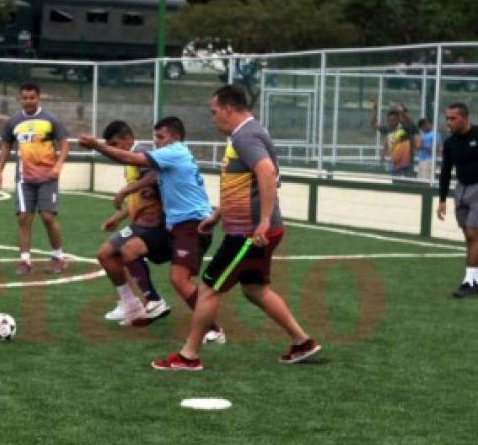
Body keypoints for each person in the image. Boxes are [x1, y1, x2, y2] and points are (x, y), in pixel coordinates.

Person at [151, 85, 320, 371]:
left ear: (229, 109)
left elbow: (265, 171)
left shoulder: (245, 136)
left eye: (214, 111)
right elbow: (243, 183)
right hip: (254, 229)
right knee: (255, 289)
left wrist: (263, 220)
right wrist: (218, 214)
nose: (213, 117)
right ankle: (301, 341)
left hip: (249, 233)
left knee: (208, 288)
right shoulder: (247, 133)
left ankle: (189, 355)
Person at [79, 116, 224, 341]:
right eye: (155, 137)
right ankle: (152, 301)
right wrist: (126, 200)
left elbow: (132, 158)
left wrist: (98, 146)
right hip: (172, 226)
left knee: (179, 280)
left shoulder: (175, 151)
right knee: (129, 250)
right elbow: (153, 177)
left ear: (176, 138)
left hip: (192, 225)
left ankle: (214, 329)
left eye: (160, 137)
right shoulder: (170, 157)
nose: (156, 141)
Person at [93, 120, 170, 325]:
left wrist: (126, 190)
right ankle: (131, 303)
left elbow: (155, 176)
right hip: (140, 221)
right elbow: (141, 194)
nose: (113, 151)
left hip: (151, 223)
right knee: (106, 254)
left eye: (115, 145)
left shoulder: (141, 153)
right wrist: (118, 217)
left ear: (129, 139)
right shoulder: (131, 160)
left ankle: (147, 300)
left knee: (108, 253)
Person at [0, 82, 69, 275]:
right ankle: (25, 261)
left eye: (32, 98)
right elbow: (5, 146)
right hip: (24, 179)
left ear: (39, 97)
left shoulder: (50, 119)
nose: (28, 101)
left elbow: (64, 143)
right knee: (23, 218)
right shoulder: (13, 122)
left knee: (47, 217)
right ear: (20, 99)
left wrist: (59, 165)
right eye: (25, 98)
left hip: (47, 177)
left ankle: (59, 257)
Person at [436, 102, 478, 298]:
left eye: (453, 118)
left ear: (465, 118)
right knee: (469, 238)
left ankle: (469, 282)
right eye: (447, 118)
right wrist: (442, 199)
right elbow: (445, 171)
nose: (449, 122)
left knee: (473, 234)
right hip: (460, 189)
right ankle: (475, 279)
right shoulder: (450, 142)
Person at [370, 100, 416, 176]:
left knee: (407, 184)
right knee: (396, 184)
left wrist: (402, 113)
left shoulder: (405, 128)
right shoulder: (388, 129)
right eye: (390, 120)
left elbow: (410, 123)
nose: (392, 122)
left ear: (398, 119)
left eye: (394, 120)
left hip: (406, 163)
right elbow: (373, 124)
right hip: (395, 162)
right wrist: (374, 110)